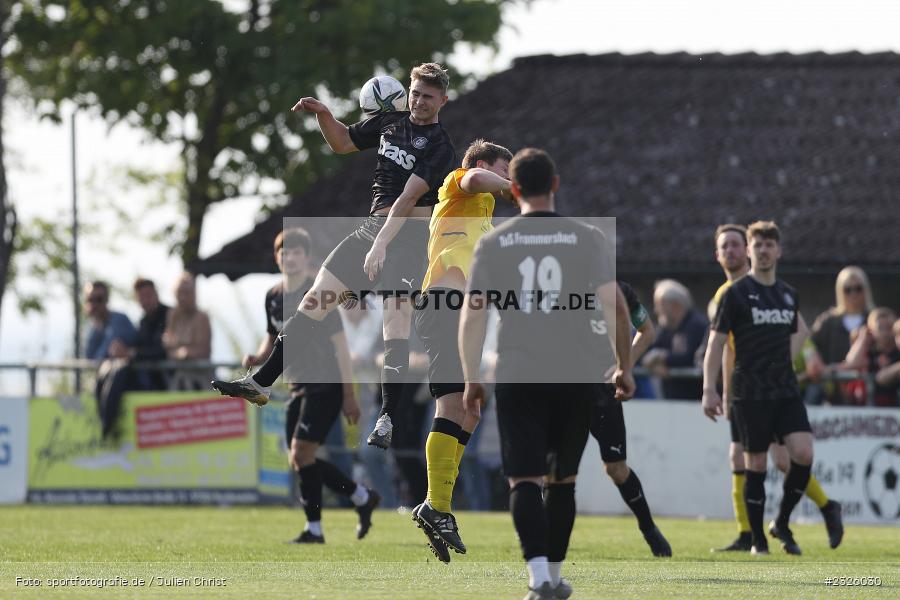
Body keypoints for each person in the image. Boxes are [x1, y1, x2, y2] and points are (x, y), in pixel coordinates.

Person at [213, 63, 457, 451]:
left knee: (395, 322)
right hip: (371, 231)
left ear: (442, 100)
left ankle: (387, 417)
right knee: (315, 299)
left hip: (407, 240)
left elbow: (407, 200)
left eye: (428, 96)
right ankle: (261, 382)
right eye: (415, 93)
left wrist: (381, 245)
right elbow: (342, 142)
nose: (419, 101)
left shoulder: (441, 147)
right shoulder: (390, 123)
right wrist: (324, 114)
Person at [459, 148, 634, 600]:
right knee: (562, 480)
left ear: (513, 189)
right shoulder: (586, 237)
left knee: (523, 479)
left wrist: (471, 376)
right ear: (554, 185)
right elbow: (616, 306)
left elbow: (473, 313)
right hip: (576, 374)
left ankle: (538, 578)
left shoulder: (494, 242)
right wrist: (623, 366)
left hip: (518, 371)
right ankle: (554, 578)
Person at [705, 224, 842, 553]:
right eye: (758, 245)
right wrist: (713, 388)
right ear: (749, 251)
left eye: (769, 245)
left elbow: (801, 330)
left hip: (783, 388)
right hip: (749, 390)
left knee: (801, 454)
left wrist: (781, 361)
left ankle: (784, 520)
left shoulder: (786, 294)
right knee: (754, 462)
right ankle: (755, 539)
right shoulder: (732, 294)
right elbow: (719, 345)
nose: (763, 250)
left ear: (778, 251)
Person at [410, 139, 514, 562]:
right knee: (452, 405)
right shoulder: (458, 183)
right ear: (485, 164)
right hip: (442, 307)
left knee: (470, 409)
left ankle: (437, 503)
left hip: (463, 315)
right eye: (504, 171)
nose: (507, 180)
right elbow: (474, 178)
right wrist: (515, 184)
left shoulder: (483, 216)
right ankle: (436, 505)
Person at [241, 228, 378, 543]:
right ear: (277, 258)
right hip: (297, 385)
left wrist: (349, 395)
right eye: (284, 252)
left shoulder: (319, 293)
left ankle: (315, 529)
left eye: (296, 252)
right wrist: (259, 357)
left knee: (302, 453)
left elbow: (341, 346)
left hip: (325, 384)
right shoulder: (273, 296)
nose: (289, 257)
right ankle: (360, 496)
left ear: (306, 257)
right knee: (299, 458)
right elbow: (273, 337)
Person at [589, 281, 671, 557]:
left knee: (616, 468)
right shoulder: (557, 285)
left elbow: (647, 330)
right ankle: (541, 542)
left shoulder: (620, 291)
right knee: (556, 468)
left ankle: (648, 527)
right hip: (566, 391)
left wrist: (624, 365)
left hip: (604, 393)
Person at [810, 266, 874, 403]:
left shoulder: (874, 319)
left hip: (868, 391)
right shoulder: (827, 321)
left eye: (858, 288)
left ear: (865, 289)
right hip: (832, 391)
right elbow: (810, 345)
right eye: (847, 289)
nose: (853, 294)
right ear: (840, 291)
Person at [641, 279, 708, 400]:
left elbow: (691, 358)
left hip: (695, 401)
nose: (656, 310)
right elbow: (647, 351)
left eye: (659, 304)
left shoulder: (697, 326)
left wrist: (662, 357)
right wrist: (654, 364)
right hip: (673, 399)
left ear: (675, 305)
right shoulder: (666, 327)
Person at [162, 272, 212, 390]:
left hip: (201, 378)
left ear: (194, 294)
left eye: (187, 293)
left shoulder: (202, 317)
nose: (183, 297)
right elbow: (168, 348)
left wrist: (184, 353)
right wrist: (180, 353)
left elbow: (204, 350)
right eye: (180, 293)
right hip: (180, 377)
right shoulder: (173, 316)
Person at [845, 307, 900, 406]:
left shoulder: (897, 351)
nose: (885, 333)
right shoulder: (869, 351)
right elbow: (851, 363)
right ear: (871, 330)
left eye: (889, 327)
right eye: (880, 328)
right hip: (870, 406)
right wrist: (862, 338)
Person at [126, 278, 170, 390]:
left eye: (148, 295)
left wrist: (134, 353)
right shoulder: (143, 322)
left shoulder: (170, 316)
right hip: (151, 382)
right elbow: (140, 346)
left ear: (156, 294)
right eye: (142, 297)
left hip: (169, 380)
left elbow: (163, 351)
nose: (146, 300)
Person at [84, 281, 137, 361]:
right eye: (90, 300)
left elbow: (102, 356)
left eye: (99, 299)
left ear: (107, 299)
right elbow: (89, 356)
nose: (94, 304)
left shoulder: (119, 320)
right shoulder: (95, 325)